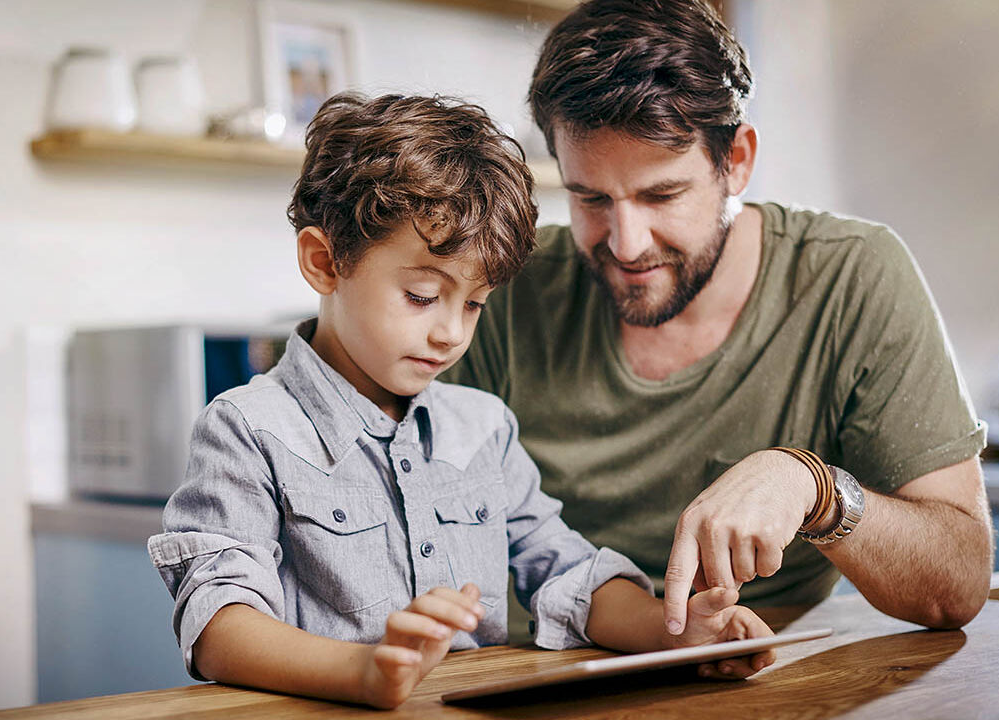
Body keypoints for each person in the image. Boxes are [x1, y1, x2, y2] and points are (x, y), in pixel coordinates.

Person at [148, 92, 776, 710]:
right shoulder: (248, 429)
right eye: (422, 296)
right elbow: (218, 623)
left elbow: (564, 570)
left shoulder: (483, 428)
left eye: (473, 304)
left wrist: (676, 635)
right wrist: (361, 672)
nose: (451, 332)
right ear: (324, 262)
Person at [443, 0, 994, 639]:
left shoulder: (853, 277)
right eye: (590, 198)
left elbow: (957, 584)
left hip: (754, 669)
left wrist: (816, 490)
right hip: (533, 664)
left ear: (736, 161)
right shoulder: (509, 284)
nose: (626, 243)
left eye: (662, 194)